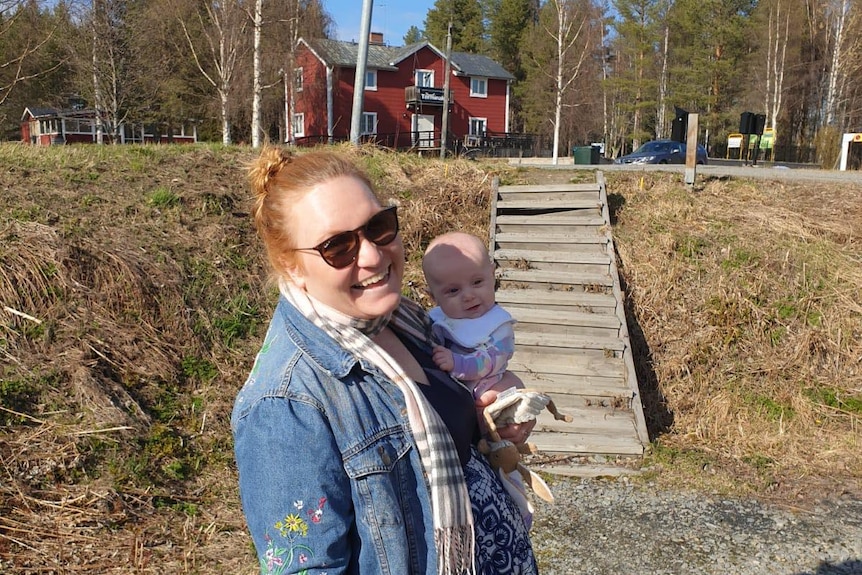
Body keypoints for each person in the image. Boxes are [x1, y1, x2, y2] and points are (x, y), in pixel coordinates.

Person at [231, 146, 538, 575]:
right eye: (337, 246)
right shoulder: (285, 405)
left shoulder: (405, 319)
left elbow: (457, 423)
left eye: (378, 228)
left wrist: (500, 411)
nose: (373, 256)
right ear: (291, 265)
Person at [422, 231, 523, 401]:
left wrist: (457, 363)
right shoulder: (433, 319)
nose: (468, 296)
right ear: (434, 298)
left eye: (477, 282)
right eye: (453, 290)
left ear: (492, 275)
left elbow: (489, 362)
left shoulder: (499, 325)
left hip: (485, 389)